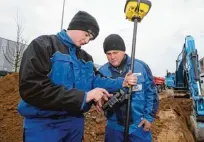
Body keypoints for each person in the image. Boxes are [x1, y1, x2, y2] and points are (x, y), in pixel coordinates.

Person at [17, 11, 137, 142]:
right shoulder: (43, 45)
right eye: (86, 35)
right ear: (76, 26)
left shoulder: (86, 58)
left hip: (75, 124)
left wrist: (122, 83)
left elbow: (97, 80)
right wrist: (85, 96)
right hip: (44, 125)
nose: (87, 41)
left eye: (90, 39)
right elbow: (32, 88)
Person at [99, 34, 159, 142]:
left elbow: (151, 93)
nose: (112, 57)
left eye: (115, 52)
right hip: (114, 128)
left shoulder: (141, 66)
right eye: (108, 54)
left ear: (123, 51)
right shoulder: (102, 72)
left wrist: (149, 118)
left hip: (138, 127)